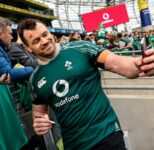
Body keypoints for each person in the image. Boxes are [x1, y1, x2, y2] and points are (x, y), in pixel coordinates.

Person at [17, 18, 154, 150]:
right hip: (72, 145)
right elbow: (39, 115)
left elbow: (119, 64)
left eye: (45, 34)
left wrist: (142, 65)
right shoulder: (34, 81)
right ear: (28, 48)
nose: (44, 41)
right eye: (36, 40)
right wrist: (39, 125)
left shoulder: (81, 48)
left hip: (106, 136)